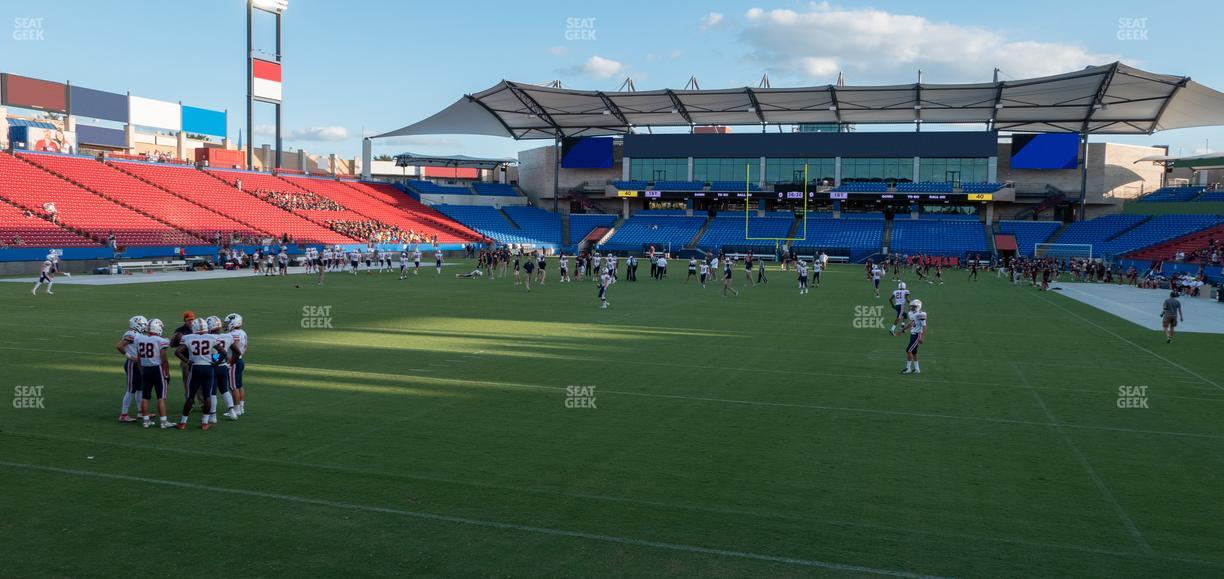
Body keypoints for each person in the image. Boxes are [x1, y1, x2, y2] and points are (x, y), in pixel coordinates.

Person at [175, 317, 218, 430]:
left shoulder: (188, 337)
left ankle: (183, 422)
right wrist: (216, 362)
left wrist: (188, 361)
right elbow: (222, 352)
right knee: (207, 396)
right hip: (208, 368)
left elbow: (177, 352)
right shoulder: (212, 337)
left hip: (195, 367)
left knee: (190, 396)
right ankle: (205, 423)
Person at [134, 318, 175, 429]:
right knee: (161, 396)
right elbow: (164, 359)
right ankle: (163, 421)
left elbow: (139, 357)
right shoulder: (160, 340)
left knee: (145, 396)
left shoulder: (139, 339)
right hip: (157, 369)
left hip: (145, 369)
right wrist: (167, 373)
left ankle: (145, 421)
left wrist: (141, 370)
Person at [115, 315, 148, 422]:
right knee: (131, 390)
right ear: (137, 325)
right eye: (143, 324)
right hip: (132, 364)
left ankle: (140, 412)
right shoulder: (131, 334)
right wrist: (130, 357)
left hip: (139, 364)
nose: (145, 326)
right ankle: (124, 415)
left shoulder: (138, 334)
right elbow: (119, 346)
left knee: (140, 389)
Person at [225, 314, 248, 416]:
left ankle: (236, 409)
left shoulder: (234, 334)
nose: (226, 325)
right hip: (240, 360)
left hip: (233, 361)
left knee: (233, 387)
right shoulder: (243, 332)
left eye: (228, 323)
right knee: (239, 385)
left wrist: (231, 361)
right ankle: (241, 407)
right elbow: (244, 348)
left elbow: (235, 349)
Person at [899, 299, 927, 374]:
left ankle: (908, 368)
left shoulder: (921, 314)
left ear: (918, 307)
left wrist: (922, 337)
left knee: (908, 350)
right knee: (914, 352)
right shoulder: (911, 313)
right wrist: (902, 330)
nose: (911, 307)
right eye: (911, 306)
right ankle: (917, 369)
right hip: (913, 334)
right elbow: (911, 323)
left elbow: (924, 326)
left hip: (917, 334)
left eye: (914, 306)